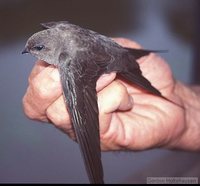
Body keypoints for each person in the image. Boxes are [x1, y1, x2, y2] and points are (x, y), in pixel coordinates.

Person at [22, 38, 200, 151]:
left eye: (37, 48)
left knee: (77, 106)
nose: (31, 52)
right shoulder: (58, 33)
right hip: (109, 51)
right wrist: (185, 116)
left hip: (110, 56)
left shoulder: (67, 58)